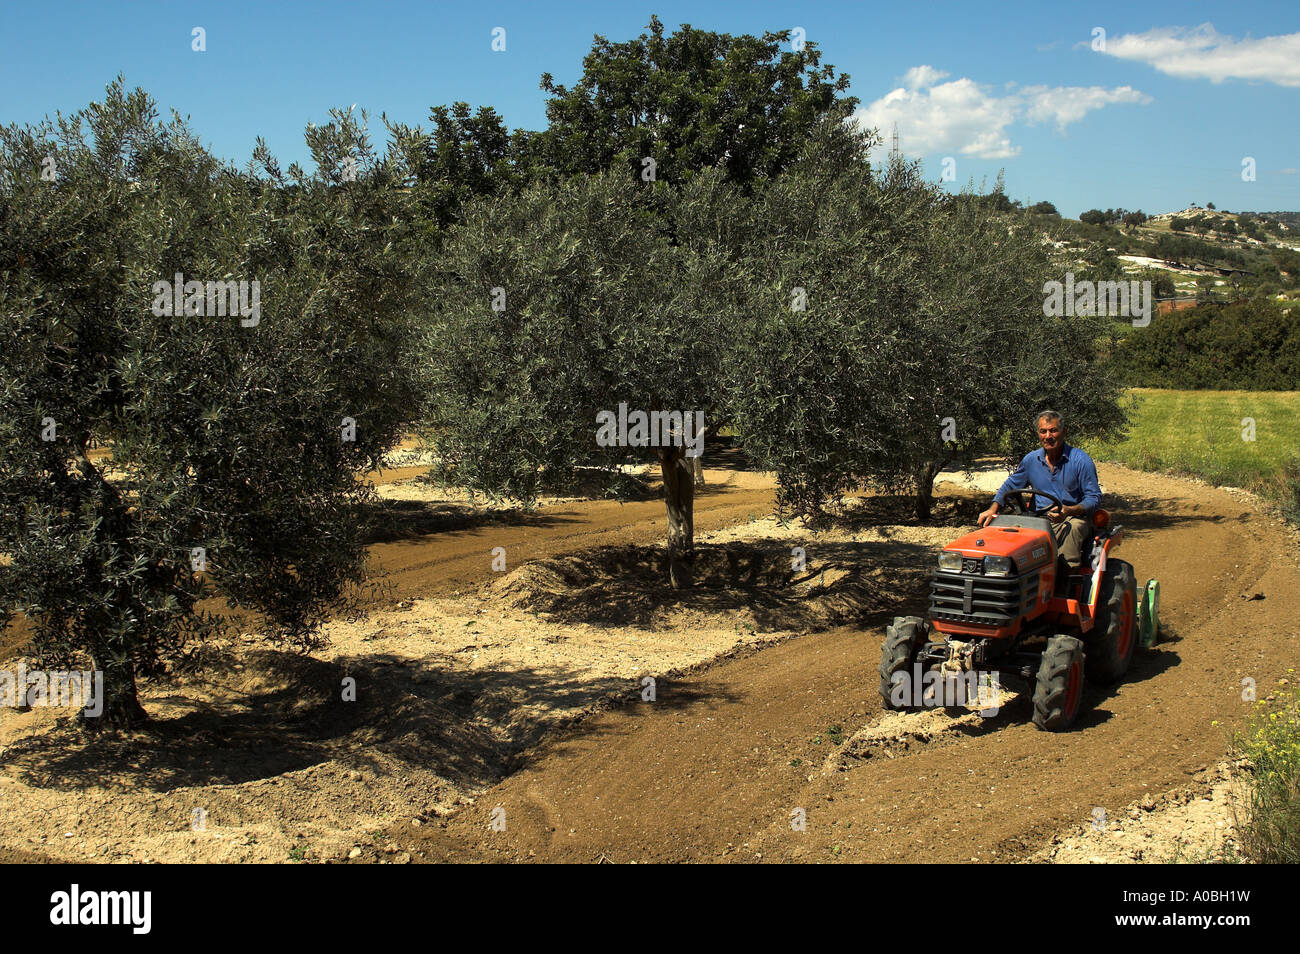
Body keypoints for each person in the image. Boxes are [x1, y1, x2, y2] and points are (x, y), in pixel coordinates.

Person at [976, 410, 1101, 568]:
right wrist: (992, 508)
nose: (1048, 436)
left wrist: (1069, 510)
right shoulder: (1031, 460)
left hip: (1070, 517)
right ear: (1038, 434)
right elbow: (1010, 486)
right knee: (1003, 534)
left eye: (1053, 430)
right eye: (1043, 431)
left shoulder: (1081, 461)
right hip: (1036, 518)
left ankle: (1066, 576)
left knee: (1073, 529)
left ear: (1064, 432)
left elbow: (1094, 498)